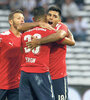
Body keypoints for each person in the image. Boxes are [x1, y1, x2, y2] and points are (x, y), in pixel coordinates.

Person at [0, 9, 56, 100]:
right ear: (10, 21)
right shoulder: (3, 37)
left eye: (23, 18)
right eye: (18, 18)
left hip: (17, 85)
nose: (22, 20)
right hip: (1, 83)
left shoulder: (26, 37)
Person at [19, 6, 68, 100]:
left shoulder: (25, 33)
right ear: (46, 17)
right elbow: (66, 39)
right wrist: (71, 39)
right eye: (49, 15)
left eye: (54, 16)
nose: (50, 18)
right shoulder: (49, 31)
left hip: (25, 72)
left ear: (33, 19)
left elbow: (21, 50)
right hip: (40, 72)